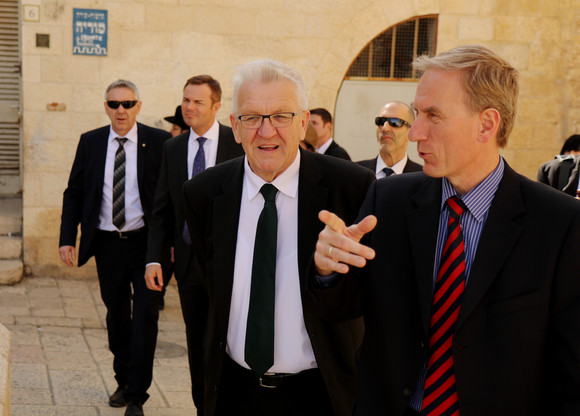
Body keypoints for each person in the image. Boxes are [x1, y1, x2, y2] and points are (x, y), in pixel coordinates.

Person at [311, 45, 580, 416]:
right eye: (417, 113)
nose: (416, 132)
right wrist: (328, 269)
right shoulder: (387, 199)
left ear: (487, 123)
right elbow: (344, 309)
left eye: (433, 116)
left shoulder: (560, 222)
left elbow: (572, 371)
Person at [182, 59, 375, 416]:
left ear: (303, 123)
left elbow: (367, 303)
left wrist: (328, 275)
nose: (266, 132)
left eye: (281, 117)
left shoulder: (351, 188)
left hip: (321, 394)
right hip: (234, 393)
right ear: (235, 128)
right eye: (252, 117)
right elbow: (207, 296)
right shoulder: (203, 194)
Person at [59, 80, 171, 416]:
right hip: (108, 244)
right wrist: (67, 237)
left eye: (127, 103)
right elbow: (74, 192)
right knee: (117, 316)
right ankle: (123, 379)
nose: (120, 110)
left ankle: (137, 395)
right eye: (113, 104)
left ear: (138, 106)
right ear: (106, 107)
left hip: (146, 245)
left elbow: (170, 196)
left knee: (147, 314)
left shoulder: (160, 142)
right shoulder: (91, 142)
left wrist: (172, 244)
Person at [144, 75, 244, 414]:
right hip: (187, 266)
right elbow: (162, 208)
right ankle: (203, 408)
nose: (189, 107)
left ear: (216, 107)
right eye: (186, 100)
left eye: (197, 102)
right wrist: (154, 259)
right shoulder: (172, 147)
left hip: (232, 264)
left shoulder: (238, 142)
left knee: (228, 343)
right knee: (197, 343)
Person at [357, 101, 422, 178]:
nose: (385, 128)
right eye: (381, 121)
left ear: (411, 132)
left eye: (395, 122)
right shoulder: (355, 173)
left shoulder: (424, 178)